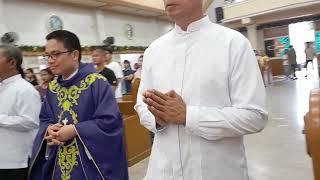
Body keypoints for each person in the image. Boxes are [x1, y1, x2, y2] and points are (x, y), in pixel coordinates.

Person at [134, 0, 268, 179]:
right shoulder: (154, 50)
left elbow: (255, 116)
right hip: (163, 172)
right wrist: (157, 118)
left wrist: (189, 116)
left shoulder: (234, 44)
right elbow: (141, 106)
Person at [29, 30, 128, 180]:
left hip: (89, 166)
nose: (50, 60)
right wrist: (49, 129)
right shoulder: (53, 87)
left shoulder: (97, 83)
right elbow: (45, 118)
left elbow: (111, 122)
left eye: (55, 54)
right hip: (59, 162)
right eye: (47, 55)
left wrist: (76, 129)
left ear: (74, 55)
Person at [0, 45, 41, 180]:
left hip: (15, 161)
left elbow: (31, 121)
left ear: (12, 63)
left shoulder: (25, 89)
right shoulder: (3, 86)